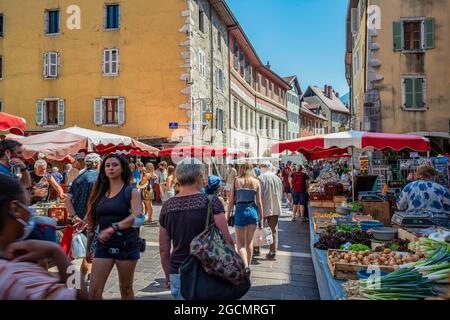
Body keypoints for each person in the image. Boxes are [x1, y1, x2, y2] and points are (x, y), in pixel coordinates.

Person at [0, 175, 88, 300]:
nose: (30, 211)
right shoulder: (23, 279)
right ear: (15, 209)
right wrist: (57, 253)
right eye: (27, 205)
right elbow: (80, 295)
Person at [159, 158, 234, 300]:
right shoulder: (211, 202)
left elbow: (163, 249)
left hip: (179, 269)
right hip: (209, 269)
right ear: (200, 177)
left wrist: (167, 273)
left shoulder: (167, 206)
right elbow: (226, 239)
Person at [85, 154, 143, 300]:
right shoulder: (99, 192)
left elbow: (137, 215)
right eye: (107, 165)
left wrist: (114, 227)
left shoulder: (131, 191)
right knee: (93, 293)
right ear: (103, 170)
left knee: (125, 288)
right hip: (103, 246)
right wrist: (88, 246)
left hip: (126, 244)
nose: (111, 168)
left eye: (115, 165)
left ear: (122, 168)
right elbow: (93, 220)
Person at [226, 162, 264, 270]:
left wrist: (227, 215)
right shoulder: (256, 182)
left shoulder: (236, 181)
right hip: (253, 211)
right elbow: (259, 202)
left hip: (240, 211)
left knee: (240, 244)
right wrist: (262, 218)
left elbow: (231, 201)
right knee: (249, 242)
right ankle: (249, 266)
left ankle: (245, 267)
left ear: (241, 169)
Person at [255, 162, 283, 260]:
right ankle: (273, 250)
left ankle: (257, 248)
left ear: (262, 168)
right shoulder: (277, 178)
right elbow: (281, 193)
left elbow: (258, 195)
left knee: (259, 227)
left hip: (262, 206)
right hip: (275, 206)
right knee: (274, 230)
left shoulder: (260, 178)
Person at [66, 153, 102, 225]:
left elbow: (68, 201)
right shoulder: (99, 179)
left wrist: (75, 217)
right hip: (92, 220)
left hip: (77, 220)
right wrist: (86, 219)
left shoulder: (77, 179)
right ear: (97, 164)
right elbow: (96, 201)